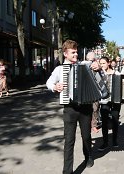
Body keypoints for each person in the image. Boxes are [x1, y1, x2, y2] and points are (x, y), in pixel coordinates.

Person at [46, 39, 100, 174]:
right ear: (65, 53)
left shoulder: (84, 66)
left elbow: (96, 70)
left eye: (76, 52)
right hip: (69, 109)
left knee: (86, 136)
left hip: (85, 108)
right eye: (73, 52)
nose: (76, 55)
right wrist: (55, 86)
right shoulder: (60, 69)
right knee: (69, 140)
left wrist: (96, 66)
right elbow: (49, 82)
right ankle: (67, 171)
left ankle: (88, 156)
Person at [97, 56, 121, 151]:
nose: (102, 65)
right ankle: (105, 142)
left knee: (115, 120)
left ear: (109, 63)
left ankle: (114, 140)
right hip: (104, 101)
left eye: (104, 63)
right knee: (104, 121)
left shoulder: (117, 73)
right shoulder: (99, 75)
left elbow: (123, 84)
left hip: (115, 100)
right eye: (101, 63)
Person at [86, 51, 101, 133]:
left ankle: (94, 125)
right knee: (87, 109)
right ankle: (87, 124)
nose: (90, 62)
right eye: (88, 60)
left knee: (95, 109)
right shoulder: (84, 66)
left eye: (92, 60)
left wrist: (99, 68)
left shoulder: (98, 66)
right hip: (87, 91)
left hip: (95, 90)